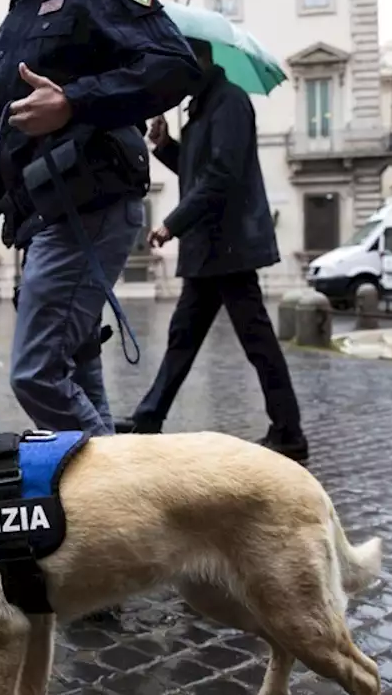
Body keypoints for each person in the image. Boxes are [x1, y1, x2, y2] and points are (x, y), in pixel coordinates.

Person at [0, 0, 201, 438]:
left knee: (36, 374)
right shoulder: (18, 11)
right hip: (40, 217)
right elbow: (3, 135)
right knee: (76, 377)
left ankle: (117, 493)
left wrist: (74, 101)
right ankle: (105, 508)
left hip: (87, 207)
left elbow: (173, 64)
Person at [113, 40, 309, 462]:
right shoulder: (202, 106)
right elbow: (197, 169)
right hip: (209, 248)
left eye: (181, 66)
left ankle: (289, 432)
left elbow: (222, 175)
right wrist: (165, 145)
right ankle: (149, 417)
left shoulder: (229, 102)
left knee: (258, 343)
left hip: (230, 245)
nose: (176, 78)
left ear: (200, 60)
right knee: (182, 337)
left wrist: (171, 223)